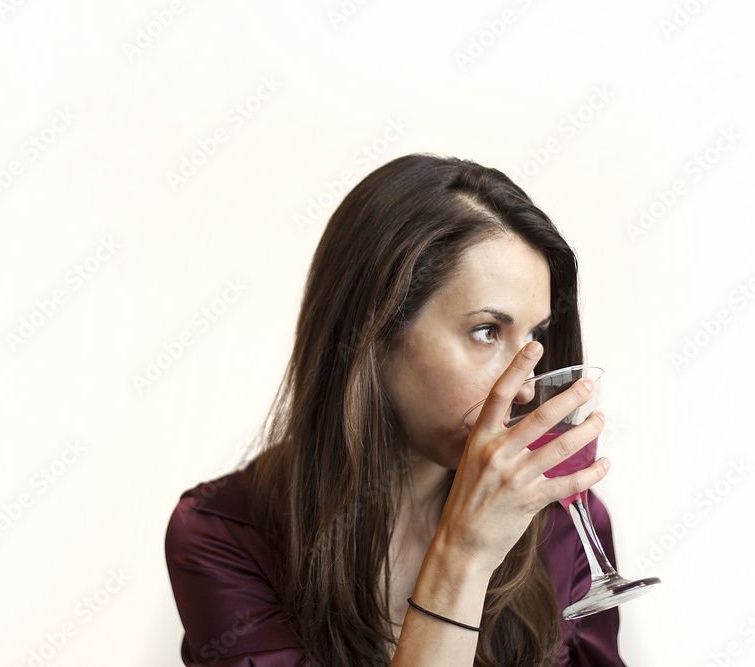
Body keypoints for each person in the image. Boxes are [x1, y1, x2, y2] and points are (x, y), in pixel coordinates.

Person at [165, 153, 626, 666]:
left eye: (536, 335)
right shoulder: (224, 535)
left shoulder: (563, 526)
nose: (524, 388)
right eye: (486, 332)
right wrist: (463, 557)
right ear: (374, 333)